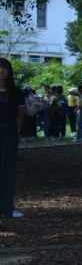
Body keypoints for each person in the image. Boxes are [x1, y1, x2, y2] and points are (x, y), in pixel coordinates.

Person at [0, 58, 23, 218]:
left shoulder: (16, 92)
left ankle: (7, 208)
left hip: (9, 131)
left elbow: (21, 114)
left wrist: (16, 129)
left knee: (8, 170)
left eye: (4, 68)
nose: (1, 71)